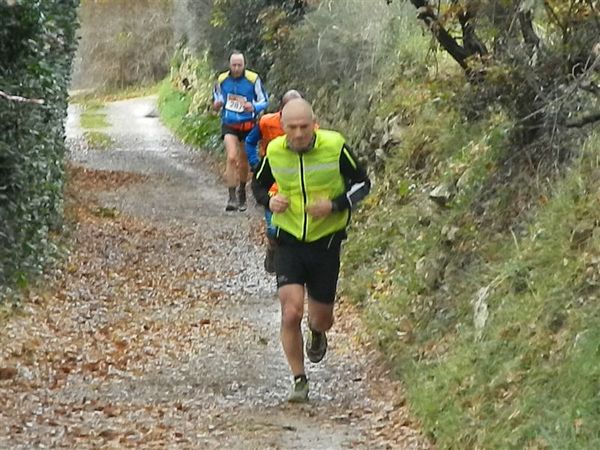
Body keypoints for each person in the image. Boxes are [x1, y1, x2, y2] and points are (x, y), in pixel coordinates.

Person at [251, 98, 371, 403]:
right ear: (283, 127)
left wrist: (335, 205)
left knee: (321, 318)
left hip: (325, 242)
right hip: (288, 239)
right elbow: (259, 185)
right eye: (292, 127)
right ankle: (299, 379)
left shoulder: (335, 145)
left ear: (313, 123)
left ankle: (317, 332)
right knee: (291, 312)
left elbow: (362, 183)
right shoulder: (275, 150)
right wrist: (269, 201)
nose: (299, 133)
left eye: (305, 127)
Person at [245, 89, 309, 273]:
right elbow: (250, 141)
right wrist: (255, 163)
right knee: (274, 230)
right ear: (281, 110)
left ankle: (289, 270)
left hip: (296, 187)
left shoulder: (310, 127)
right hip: (272, 187)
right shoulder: (266, 122)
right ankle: (272, 248)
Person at [213, 51, 268, 211]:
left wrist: (255, 107)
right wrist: (216, 104)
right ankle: (231, 198)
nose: (236, 68)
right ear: (229, 65)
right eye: (234, 65)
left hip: (248, 124)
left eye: (239, 65)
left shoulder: (253, 79)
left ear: (244, 65)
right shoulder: (222, 79)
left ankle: (242, 191)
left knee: (243, 161)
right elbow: (217, 98)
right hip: (229, 123)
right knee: (231, 157)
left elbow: (264, 100)